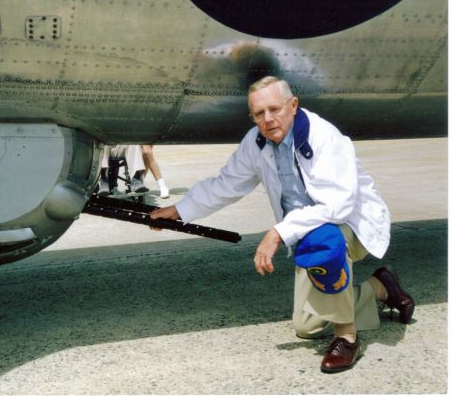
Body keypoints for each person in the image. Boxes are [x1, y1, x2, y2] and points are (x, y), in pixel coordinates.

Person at [150, 76, 415, 373]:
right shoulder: (257, 141)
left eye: (274, 109)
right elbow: (227, 183)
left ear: (293, 106)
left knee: (325, 237)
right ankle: (381, 288)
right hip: (306, 232)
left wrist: (278, 232)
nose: (268, 119)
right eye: (259, 113)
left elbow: (337, 205)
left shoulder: (324, 137)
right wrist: (180, 209)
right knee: (308, 326)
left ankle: (347, 337)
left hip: (350, 223)